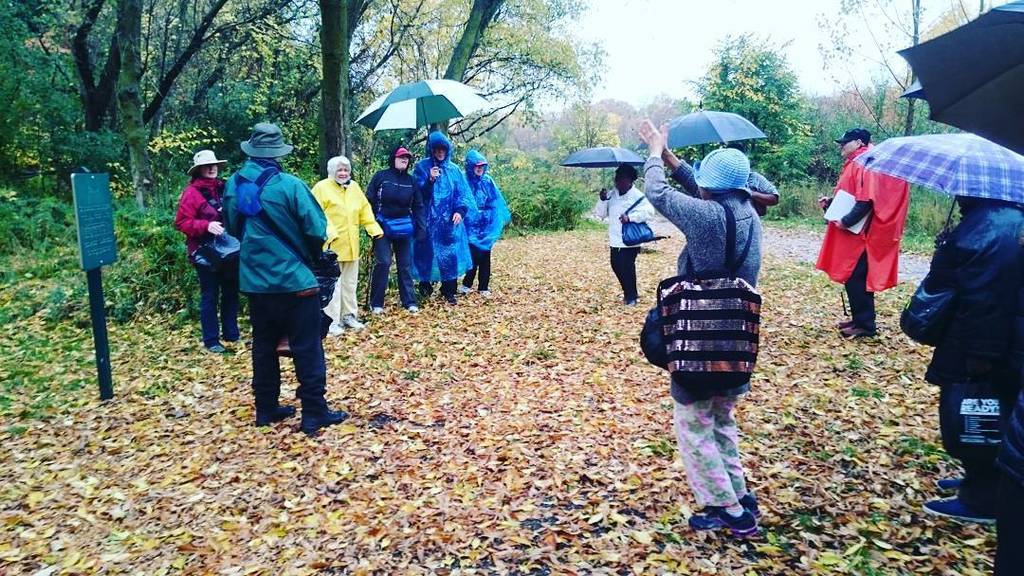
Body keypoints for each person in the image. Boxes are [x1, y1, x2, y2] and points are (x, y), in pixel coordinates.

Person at [639, 120, 762, 538]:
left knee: (694, 426)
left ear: (713, 189)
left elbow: (658, 193)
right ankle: (739, 492)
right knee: (722, 420)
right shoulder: (747, 212)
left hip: (699, 336)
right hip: (736, 339)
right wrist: (673, 156)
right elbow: (700, 188)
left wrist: (655, 153)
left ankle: (726, 508)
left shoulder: (707, 218)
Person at [222, 122, 347, 436]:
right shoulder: (290, 185)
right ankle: (314, 413)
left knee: (263, 347)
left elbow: (233, 228)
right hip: (295, 282)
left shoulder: (234, 185)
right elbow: (317, 229)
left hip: (254, 282)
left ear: (252, 151)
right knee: (307, 347)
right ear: (277, 153)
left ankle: (266, 409)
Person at [912, 196, 1024, 529]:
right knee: (983, 413)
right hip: (985, 342)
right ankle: (979, 479)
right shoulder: (990, 219)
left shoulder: (994, 226)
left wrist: (980, 356)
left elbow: (985, 297)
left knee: (976, 415)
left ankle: (982, 496)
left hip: (981, 346)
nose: (956, 194)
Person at [815, 128, 910, 338]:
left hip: (865, 235)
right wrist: (831, 204)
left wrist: (846, 221)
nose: (841, 145)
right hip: (860, 232)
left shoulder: (867, 163)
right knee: (853, 275)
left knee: (857, 276)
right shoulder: (860, 162)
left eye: (845, 142)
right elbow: (852, 196)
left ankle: (866, 325)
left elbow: (866, 201)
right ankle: (859, 319)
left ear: (859, 142)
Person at [174, 149, 239, 354]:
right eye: (207, 166)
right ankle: (211, 340)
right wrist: (206, 225)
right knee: (209, 295)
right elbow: (182, 222)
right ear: (198, 169)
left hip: (228, 250)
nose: (212, 168)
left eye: (214, 165)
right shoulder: (191, 193)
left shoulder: (224, 188)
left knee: (230, 292)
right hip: (205, 252)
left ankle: (231, 333)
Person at [311, 156, 383, 335]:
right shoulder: (321, 188)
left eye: (346, 170)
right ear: (332, 172)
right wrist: (330, 233)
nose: (343, 173)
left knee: (350, 283)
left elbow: (365, 209)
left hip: (351, 246)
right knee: (333, 285)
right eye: (339, 170)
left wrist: (373, 229)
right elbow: (315, 214)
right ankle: (331, 321)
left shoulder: (354, 188)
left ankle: (349, 316)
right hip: (331, 247)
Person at [412, 131, 476, 305]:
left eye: (443, 149)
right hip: (427, 221)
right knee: (426, 253)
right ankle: (425, 287)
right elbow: (416, 195)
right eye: (437, 149)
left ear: (447, 150)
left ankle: (449, 290)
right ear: (431, 150)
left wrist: (460, 211)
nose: (440, 152)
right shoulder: (421, 167)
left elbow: (462, 195)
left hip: (449, 223)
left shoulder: (454, 170)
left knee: (450, 255)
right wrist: (430, 180)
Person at [365, 145, 427, 315]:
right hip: (382, 227)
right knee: (384, 262)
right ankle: (376, 304)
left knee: (405, 266)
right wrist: (370, 225)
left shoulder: (411, 181)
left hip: (404, 228)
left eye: (406, 158)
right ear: (393, 158)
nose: (404, 160)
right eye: (401, 157)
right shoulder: (381, 176)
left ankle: (410, 302)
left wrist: (421, 230)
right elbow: (368, 200)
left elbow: (418, 206)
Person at [657, 145, 780, 216]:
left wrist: (655, 154)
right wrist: (665, 153)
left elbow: (659, 194)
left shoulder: (712, 217)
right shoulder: (750, 219)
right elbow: (689, 176)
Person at [593, 164, 654, 306]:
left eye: (622, 179)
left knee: (627, 266)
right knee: (616, 265)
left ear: (630, 180)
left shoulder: (637, 196)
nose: (618, 182)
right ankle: (629, 292)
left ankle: (631, 296)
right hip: (614, 239)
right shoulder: (612, 194)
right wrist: (602, 200)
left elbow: (649, 212)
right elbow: (601, 214)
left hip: (630, 239)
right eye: (617, 178)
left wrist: (631, 217)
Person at [459, 149, 511, 297]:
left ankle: (483, 286)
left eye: (482, 165)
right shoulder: (464, 181)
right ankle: (467, 283)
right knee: (473, 254)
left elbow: (496, 201)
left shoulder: (488, 181)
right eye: (477, 165)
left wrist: (494, 218)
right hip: (470, 224)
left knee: (485, 254)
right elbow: (460, 199)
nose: (480, 168)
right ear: (470, 166)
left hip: (486, 224)